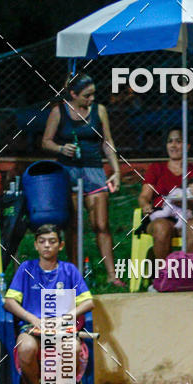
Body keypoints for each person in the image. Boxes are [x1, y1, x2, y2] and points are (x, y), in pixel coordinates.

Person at [42, 72, 124, 287]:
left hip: (94, 170)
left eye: (93, 94)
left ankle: (111, 275)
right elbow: (46, 141)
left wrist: (116, 171)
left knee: (101, 224)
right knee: (73, 225)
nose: (91, 99)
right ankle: (75, 275)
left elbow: (107, 142)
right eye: (87, 95)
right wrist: (61, 148)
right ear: (73, 94)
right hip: (68, 171)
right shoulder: (59, 111)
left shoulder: (99, 111)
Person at [4, 224, 94, 384]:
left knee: (73, 348)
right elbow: (9, 302)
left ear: (60, 246)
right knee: (26, 348)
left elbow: (88, 303)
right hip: (32, 328)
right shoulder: (26, 268)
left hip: (63, 329)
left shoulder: (69, 270)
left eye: (52, 241)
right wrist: (32, 318)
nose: (47, 245)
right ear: (36, 245)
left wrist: (64, 319)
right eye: (42, 241)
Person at [138, 128, 193, 257]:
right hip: (161, 216)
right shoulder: (156, 168)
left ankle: (187, 269)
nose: (173, 145)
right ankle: (165, 269)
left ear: (187, 146)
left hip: (187, 216)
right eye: (170, 141)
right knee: (162, 227)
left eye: (178, 141)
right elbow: (144, 196)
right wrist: (145, 205)